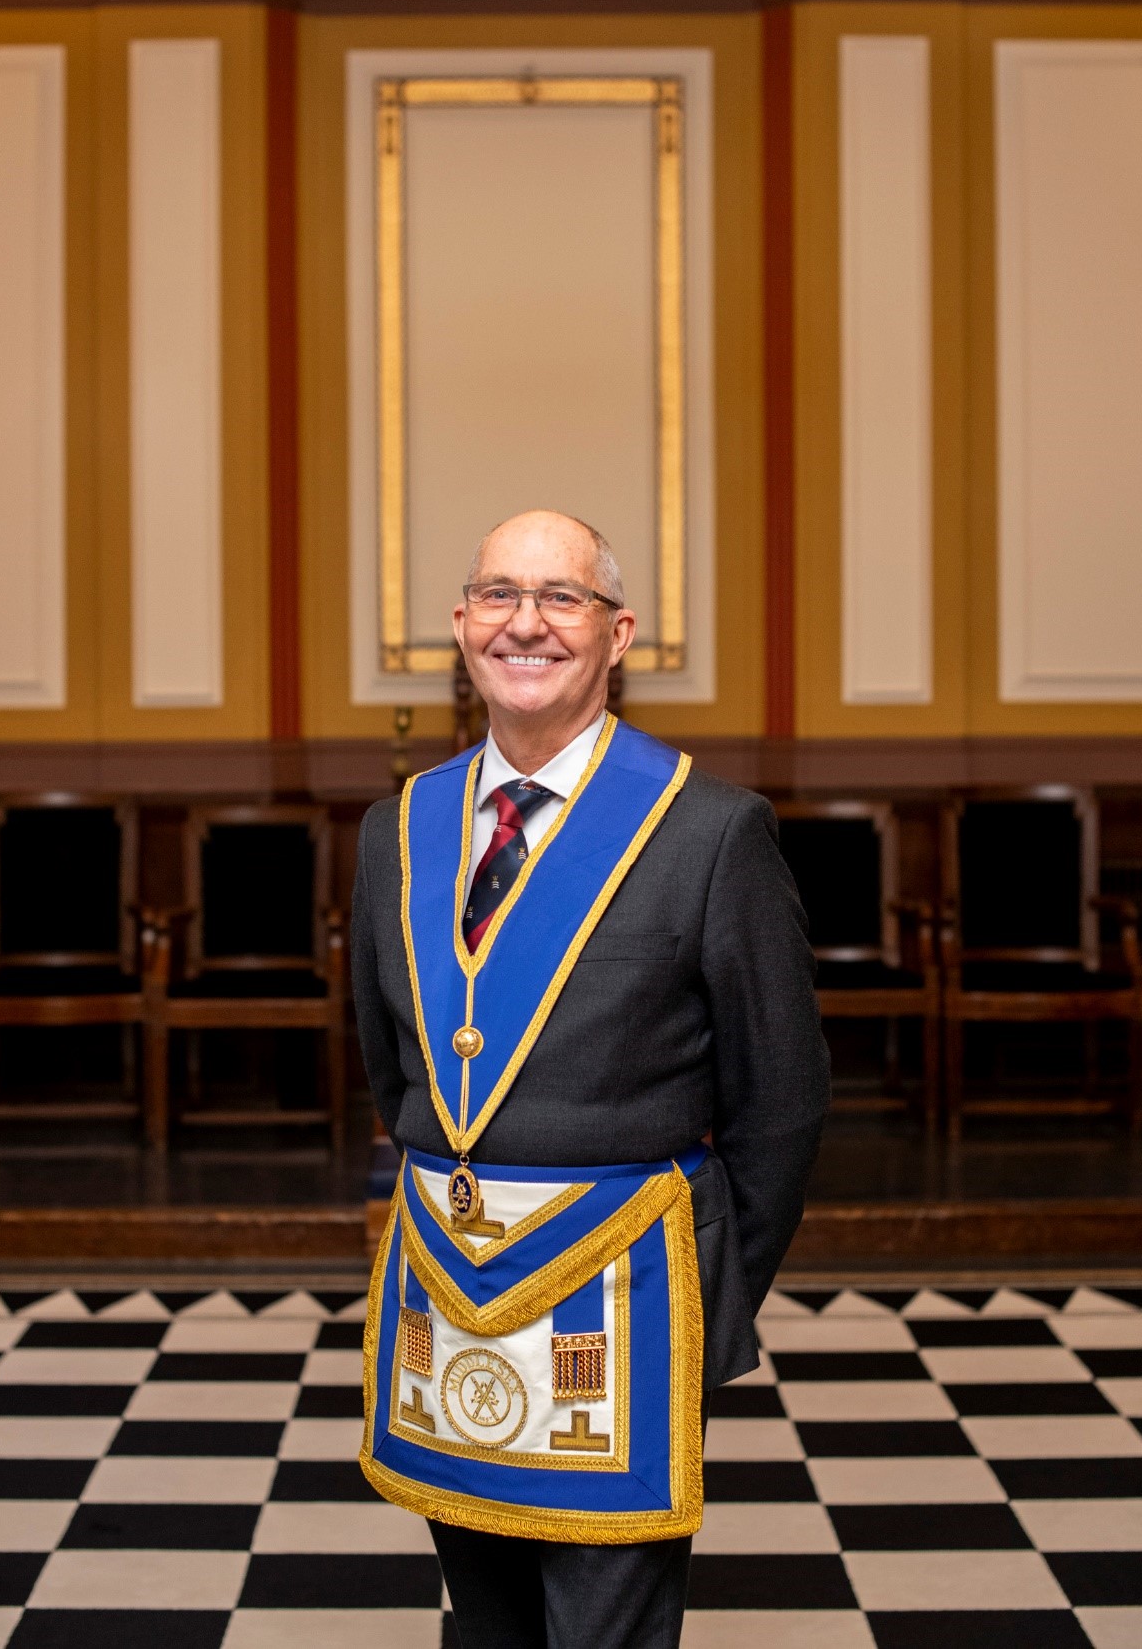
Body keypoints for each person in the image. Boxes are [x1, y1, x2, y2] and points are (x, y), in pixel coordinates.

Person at [352, 509, 829, 1648]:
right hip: (447, 1286)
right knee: (484, 1622)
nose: (526, 623)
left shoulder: (710, 831)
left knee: (603, 1633)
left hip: (622, 1298)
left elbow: (784, 1101)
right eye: (498, 596)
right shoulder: (396, 828)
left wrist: (701, 1280)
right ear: (461, 626)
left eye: (559, 597)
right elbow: (388, 1064)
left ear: (615, 635)